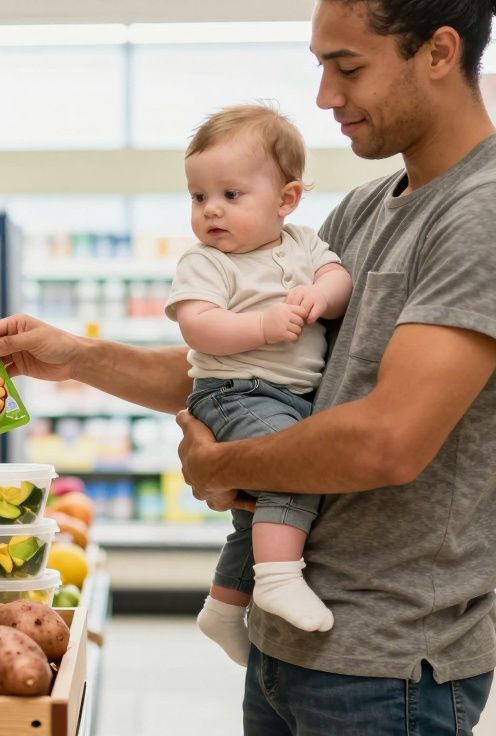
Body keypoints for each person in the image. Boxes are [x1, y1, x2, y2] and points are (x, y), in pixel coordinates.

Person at [0, 0, 496, 731]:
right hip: (283, 638)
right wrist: (76, 357)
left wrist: (223, 461)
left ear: (439, 52)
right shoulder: (364, 209)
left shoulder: (495, 207)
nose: (324, 96)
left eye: (347, 66)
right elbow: (252, 371)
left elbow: (389, 439)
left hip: (386, 666)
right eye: (321, 66)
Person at [170, 105, 352, 662]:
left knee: (255, 513)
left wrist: (321, 296)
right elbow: (197, 324)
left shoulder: (302, 242)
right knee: (292, 470)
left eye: (231, 195)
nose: (211, 211)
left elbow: (338, 277)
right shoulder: (206, 263)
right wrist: (262, 325)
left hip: (288, 398)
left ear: (287, 199)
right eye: (199, 197)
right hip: (235, 394)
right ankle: (276, 580)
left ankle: (224, 610)